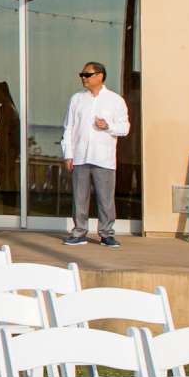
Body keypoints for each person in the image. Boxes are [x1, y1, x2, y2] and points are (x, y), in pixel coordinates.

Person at [62, 60, 131, 247]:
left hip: (103, 157)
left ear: (99, 76)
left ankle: (106, 234)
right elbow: (68, 128)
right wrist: (68, 154)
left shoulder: (115, 100)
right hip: (80, 156)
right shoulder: (76, 99)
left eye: (87, 74)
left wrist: (108, 126)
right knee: (79, 198)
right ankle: (79, 232)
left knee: (105, 199)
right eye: (82, 75)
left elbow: (125, 128)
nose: (83, 78)